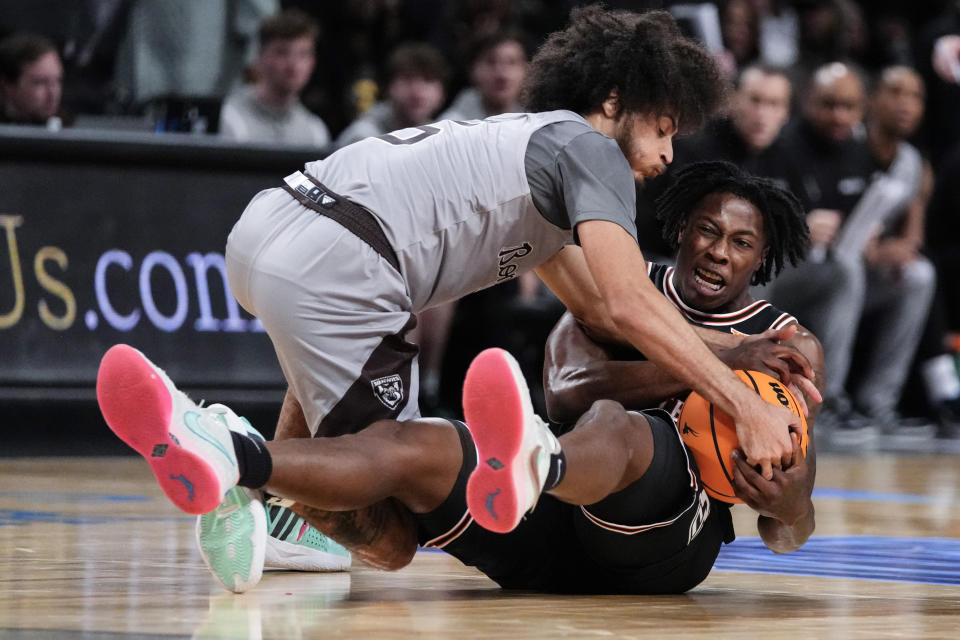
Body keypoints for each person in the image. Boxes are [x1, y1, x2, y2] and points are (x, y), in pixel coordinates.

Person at [96, 7, 815, 593]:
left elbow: (596, 309)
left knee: (351, 420)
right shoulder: (592, 155)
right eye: (662, 129)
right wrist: (742, 398)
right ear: (613, 102)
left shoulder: (532, 149)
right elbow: (628, 304)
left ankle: (275, 513)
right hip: (345, 262)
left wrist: (733, 347)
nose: (665, 155)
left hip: (270, 226)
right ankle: (226, 449)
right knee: (391, 533)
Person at [763, 63, 936, 439]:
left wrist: (878, 246)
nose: (838, 115)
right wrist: (800, 227)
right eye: (828, 104)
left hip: (839, 279)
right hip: (783, 278)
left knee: (918, 277)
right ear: (807, 101)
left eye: (848, 106)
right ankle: (829, 401)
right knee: (846, 269)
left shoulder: (859, 151)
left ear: (861, 109)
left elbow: (872, 222)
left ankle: (879, 403)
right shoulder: (783, 145)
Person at [219, 9, 331, 146]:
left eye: (303, 54)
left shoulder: (315, 131)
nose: (293, 65)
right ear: (260, 57)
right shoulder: (230, 118)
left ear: (312, 63)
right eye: (282, 53)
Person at [334, 43, 448, 149]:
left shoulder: (442, 136)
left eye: (428, 80)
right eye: (408, 78)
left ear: (442, 93)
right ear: (387, 88)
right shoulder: (362, 137)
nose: (418, 91)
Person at [438, 29, 528, 121]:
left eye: (512, 62)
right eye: (491, 62)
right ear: (472, 69)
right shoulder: (451, 126)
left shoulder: (539, 120)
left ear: (527, 69)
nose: (502, 75)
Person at [0, 32, 65, 128]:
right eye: (40, 82)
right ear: (8, 85)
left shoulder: (70, 127)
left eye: (57, 81)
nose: (53, 94)